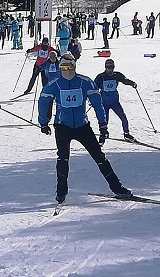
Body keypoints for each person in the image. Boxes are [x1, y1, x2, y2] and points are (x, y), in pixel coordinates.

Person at [38, 53, 132, 204]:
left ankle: (117, 188)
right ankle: (61, 192)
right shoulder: (54, 84)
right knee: (63, 158)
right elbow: (43, 101)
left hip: (82, 126)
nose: (66, 70)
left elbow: (98, 104)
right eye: (63, 67)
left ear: (75, 66)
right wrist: (43, 122)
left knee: (99, 157)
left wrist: (103, 124)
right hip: (62, 126)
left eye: (69, 67)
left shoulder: (85, 82)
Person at [94, 58, 137, 142]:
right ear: (105, 67)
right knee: (104, 120)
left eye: (111, 67)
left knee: (123, 117)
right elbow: (94, 87)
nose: (110, 69)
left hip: (114, 102)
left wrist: (132, 83)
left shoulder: (117, 75)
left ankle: (126, 134)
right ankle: (103, 135)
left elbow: (124, 80)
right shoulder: (101, 77)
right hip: (104, 103)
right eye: (108, 67)